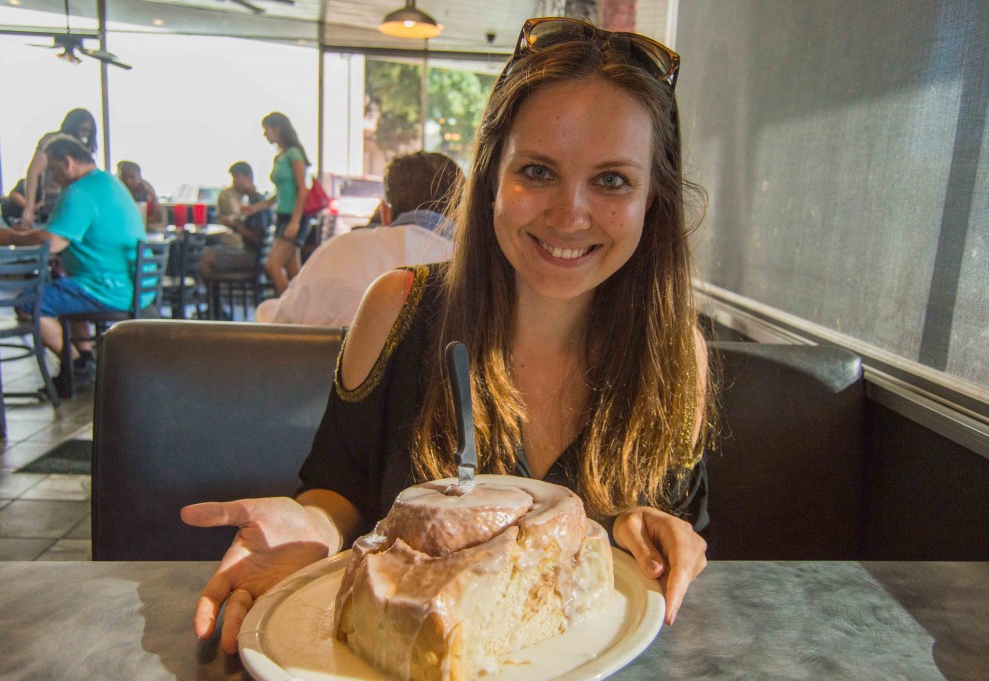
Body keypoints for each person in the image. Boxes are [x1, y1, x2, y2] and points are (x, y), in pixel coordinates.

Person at [182, 17, 712, 654]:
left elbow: (667, 538)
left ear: (651, 199)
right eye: (538, 172)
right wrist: (311, 525)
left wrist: (657, 534)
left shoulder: (678, 355)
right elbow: (339, 489)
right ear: (490, 178)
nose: (570, 215)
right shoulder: (399, 306)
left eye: (612, 180)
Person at [0, 135, 147, 397]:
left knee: (29, 304)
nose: (52, 177)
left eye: (52, 169)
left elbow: (52, 243)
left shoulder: (80, 192)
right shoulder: (109, 182)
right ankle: (85, 359)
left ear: (68, 162)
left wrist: (10, 237)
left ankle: (77, 365)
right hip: (130, 285)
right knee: (66, 289)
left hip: (106, 288)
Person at [255, 151, 460, 327]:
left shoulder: (337, 250)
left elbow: (280, 323)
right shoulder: (470, 267)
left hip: (322, 372)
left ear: (385, 213)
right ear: (463, 212)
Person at [241, 112, 311, 294]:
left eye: (267, 130)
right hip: (282, 215)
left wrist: (295, 221)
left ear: (278, 129)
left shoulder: (294, 155)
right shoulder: (280, 157)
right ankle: (304, 310)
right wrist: (256, 207)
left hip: (294, 216)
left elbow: (302, 189)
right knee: (293, 270)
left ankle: (289, 311)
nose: (265, 135)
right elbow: (279, 194)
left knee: (272, 265)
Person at [19, 109, 97, 227]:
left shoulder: (82, 147)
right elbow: (33, 173)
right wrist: (29, 208)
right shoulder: (53, 142)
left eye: (88, 131)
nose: (85, 134)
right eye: (83, 129)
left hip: (79, 198)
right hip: (55, 198)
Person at [200, 161, 273, 279]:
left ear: (248, 178)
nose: (234, 183)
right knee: (208, 251)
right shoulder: (254, 200)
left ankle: (212, 297)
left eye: (236, 178)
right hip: (252, 254)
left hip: (251, 257)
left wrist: (235, 226)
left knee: (205, 257)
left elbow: (256, 238)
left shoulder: (257, 204)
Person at [117, 161, 166, 231]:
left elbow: (160, 217)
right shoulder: (118, 191)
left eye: (132, 177)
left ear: (139, 177)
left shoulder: (146, 190)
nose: (128, 181)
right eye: (124, 177)